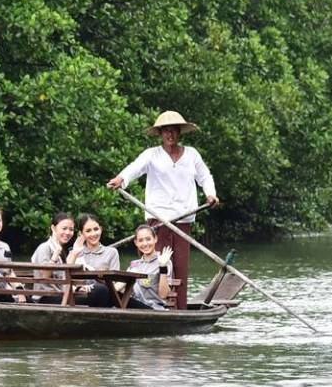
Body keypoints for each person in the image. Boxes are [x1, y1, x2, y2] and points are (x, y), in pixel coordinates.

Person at [106, 110, 219, 309]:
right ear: (160, 134)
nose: (170, 135)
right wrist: (121, 179)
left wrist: (210, 194)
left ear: (179, 133)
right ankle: (154, 305)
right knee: (157, 265)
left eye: (174, 131)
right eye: (166, 131)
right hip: (158, 219)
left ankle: (180, 308)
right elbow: (135, 168)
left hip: (183, 218)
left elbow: (204, 176)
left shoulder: (192, 154)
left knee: (180, 267)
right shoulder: (152, 155)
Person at [65, 213, 117, 307]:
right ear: (81, 233)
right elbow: (65, 275)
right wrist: (75, 252)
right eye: (88, 231)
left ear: (101, 229)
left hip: (103, 294)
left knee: (100, 290)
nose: (93, 234)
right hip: (79, 295)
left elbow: (114, 282)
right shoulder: (75, 252)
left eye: (96, 229)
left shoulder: (111, 252)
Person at [29, 212, 75, 304]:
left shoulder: (62, 250)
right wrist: (56, 253)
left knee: (98, 291)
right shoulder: (44, 247)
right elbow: (44, 276)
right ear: (53, 228)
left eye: (71, 229)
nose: (68, 232)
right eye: (64, 228)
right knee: (100, 292)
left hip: (60, 295)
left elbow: (65, 279)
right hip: (45, 297)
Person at [127, 224, 174, 310]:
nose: (145, 243)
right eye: (140, 240)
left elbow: (163, 295)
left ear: (155, 239)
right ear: (136, 243)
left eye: (148, 239)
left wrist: (162, 267)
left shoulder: (164, 260)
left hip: (154, 308)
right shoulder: (134, 264)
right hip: (134, 306)